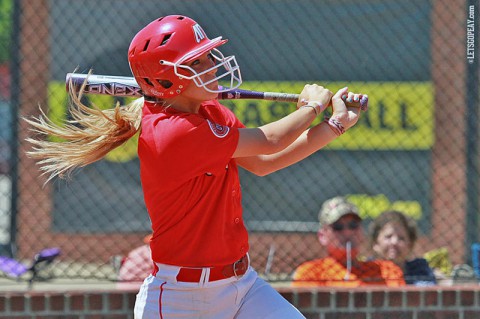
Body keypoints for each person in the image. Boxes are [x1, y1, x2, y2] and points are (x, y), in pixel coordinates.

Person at [25, 15, 366, 319]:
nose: (211, 66)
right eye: (196, 62)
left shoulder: (210, 113)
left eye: (206, 57)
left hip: (242, 286)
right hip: (180, 299)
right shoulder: (172, 133)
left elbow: (264, 163)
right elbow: (269, 140)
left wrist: (334, 125)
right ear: (165, 81)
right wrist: (309, 108)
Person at [293, 197, 405, 287]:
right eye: (338, 227)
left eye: (353, 225)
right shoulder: (311, 272)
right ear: (323, 235)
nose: (347, 232)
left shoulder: (387, 271)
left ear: (361, 231)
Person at [369, 210, 437, 286]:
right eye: (388, 237)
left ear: (410, 245)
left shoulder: (420, 271)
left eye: (401, 238)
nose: (394, 242)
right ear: (375, 243)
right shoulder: (366, 270)